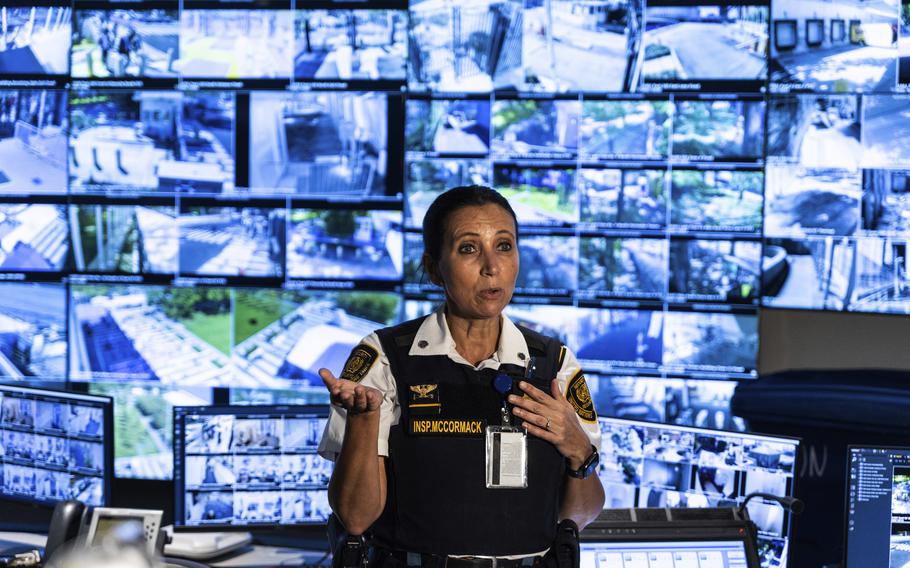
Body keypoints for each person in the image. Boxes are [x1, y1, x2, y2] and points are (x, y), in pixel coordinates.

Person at [318, 185, 605, 564]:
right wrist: (363, 420)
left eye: (504, 246)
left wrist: (578, 450)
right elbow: (355, 517)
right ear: (435, 268)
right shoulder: (385, 358)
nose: (492, 266)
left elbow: (580, 516)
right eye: (469, 248)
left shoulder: (554, 365)